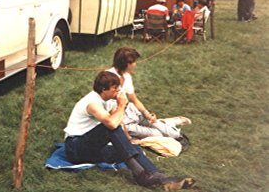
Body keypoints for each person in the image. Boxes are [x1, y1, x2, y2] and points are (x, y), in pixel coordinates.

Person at [63, 71, 195, 190]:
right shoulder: (92, 103)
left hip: (92, 147)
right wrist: (121, 105)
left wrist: (129, 141)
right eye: (115, 88)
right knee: (109, 127)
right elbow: (112, 125)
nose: (118, 91)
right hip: (75, 148)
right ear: (104, 89)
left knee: (132, 148)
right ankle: (142, 175)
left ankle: (159, 178)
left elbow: (119, 122)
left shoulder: (108, 100)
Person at [107, 47, 191, 140]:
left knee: (174, 134)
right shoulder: (109, 79)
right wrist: (128, 137)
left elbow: (134, 99)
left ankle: (166, 123)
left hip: (133, 112)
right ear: (127, 64)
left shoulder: (127, 76)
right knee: (158, 135)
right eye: (134, 62)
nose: (135, 64)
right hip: (123, 120)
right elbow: (110, 113)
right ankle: (167, 123)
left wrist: (147, 114)